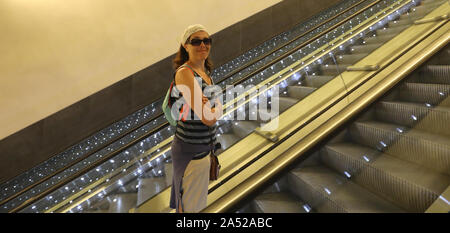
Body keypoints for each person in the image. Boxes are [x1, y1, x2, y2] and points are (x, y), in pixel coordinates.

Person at [169, 24, 222, 213]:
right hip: (191, 153)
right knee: (192, 208)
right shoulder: (185, 73)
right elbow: (208, 117)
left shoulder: (205, 72)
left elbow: (208, 111)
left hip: (203, 149)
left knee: (191, 203)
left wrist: (212, 107)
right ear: (186, 45)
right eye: (196, 41)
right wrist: (220, 107)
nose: (203, 45)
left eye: (206, 41)